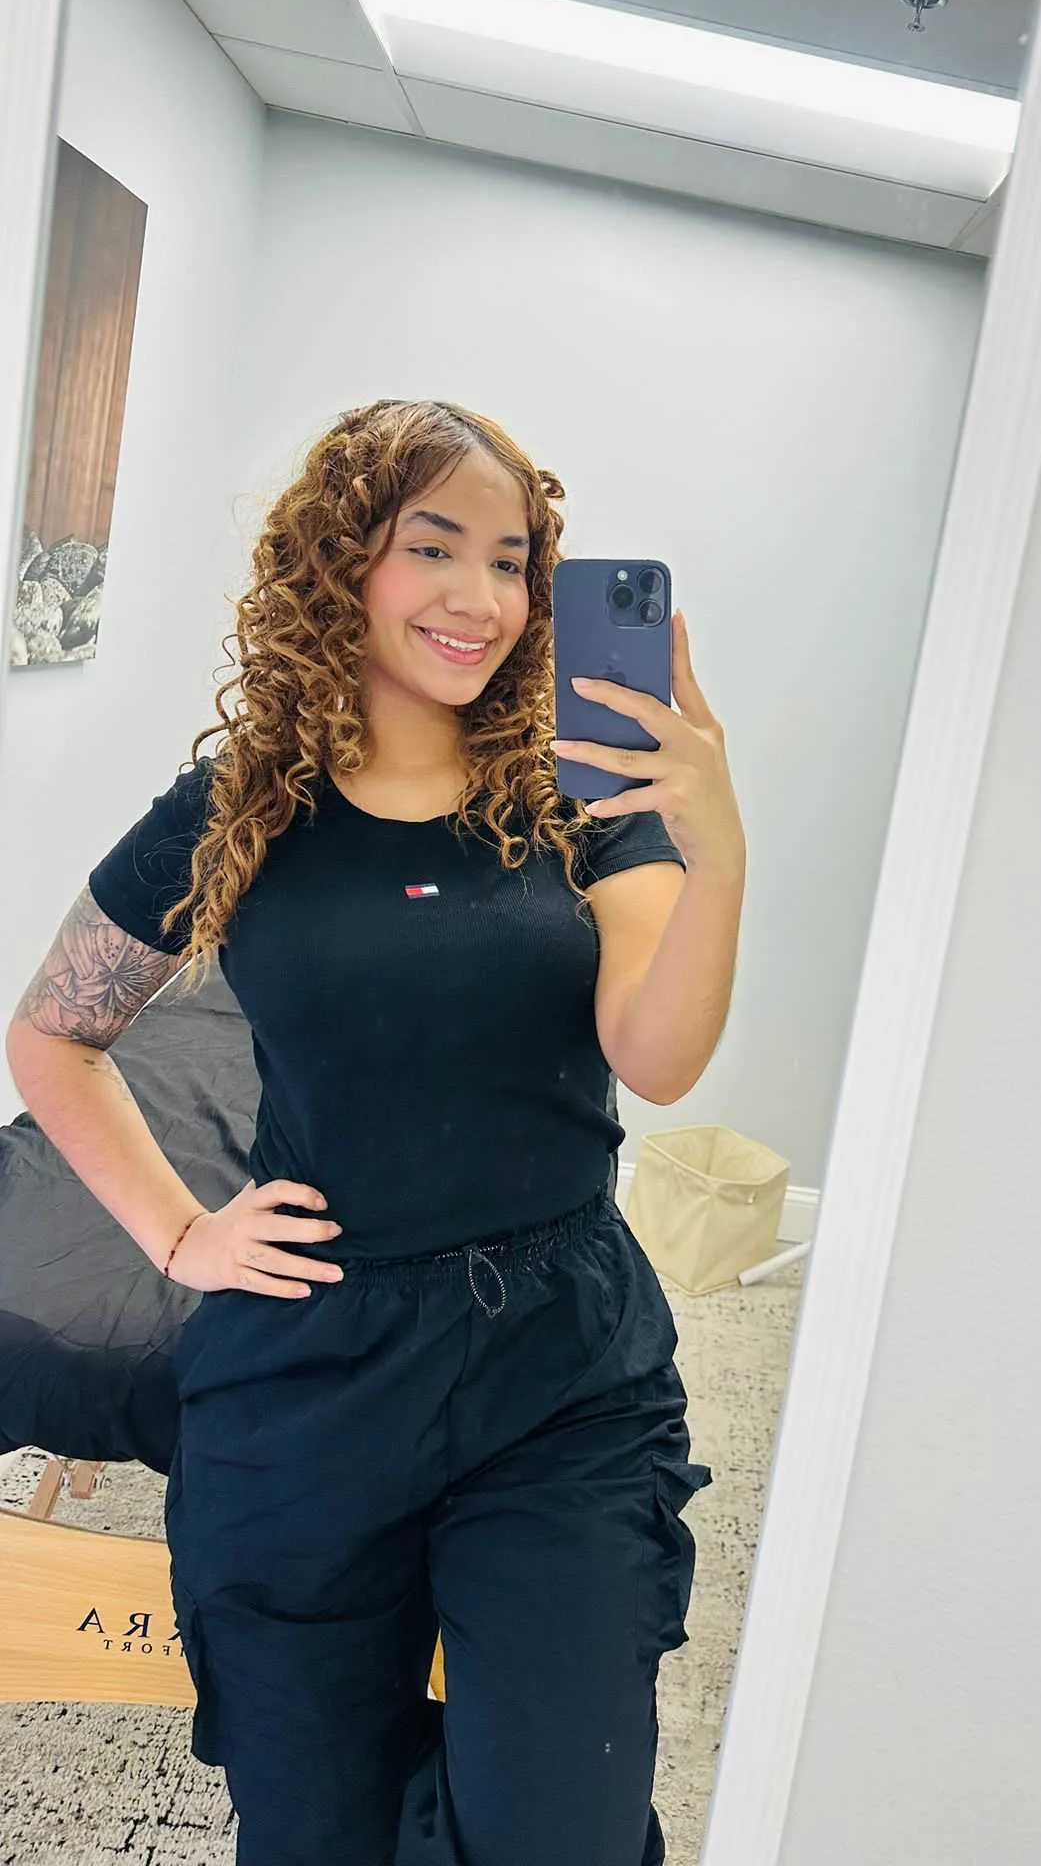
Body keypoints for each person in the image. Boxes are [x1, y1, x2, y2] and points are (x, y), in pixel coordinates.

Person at [4, 399, 748, 1866]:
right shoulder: (239, 807)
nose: (481, 597)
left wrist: (717, 853)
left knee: (562, 1828)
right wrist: (179, 1233)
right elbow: (52, 1036)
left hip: (558, 1372)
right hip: (310, 1378)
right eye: (434, 547)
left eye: (513, 561)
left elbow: (656, 1059)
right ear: (343, 559)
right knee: (311, 1823)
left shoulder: (584, 796)